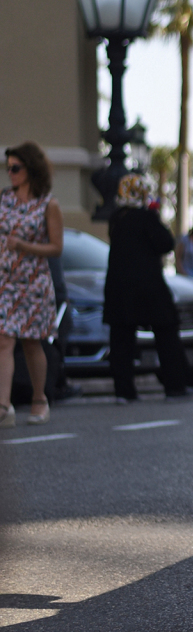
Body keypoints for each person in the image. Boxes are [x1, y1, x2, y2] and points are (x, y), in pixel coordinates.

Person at [103, 174, 191, 402]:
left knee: (121, 338)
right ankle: (175, 384)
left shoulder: (116, 219)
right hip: (148, 286)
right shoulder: (146, 217)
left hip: (119, 287)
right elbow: (166, 243)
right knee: (166, 332)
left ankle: (124, 390)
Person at [0, 142, 63, 427]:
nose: (10, 173)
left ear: (30, 169)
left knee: (30, 343)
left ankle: (40, 398)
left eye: (15, 167)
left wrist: (24, 245)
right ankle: (4, 406)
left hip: (33, 283)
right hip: (5, 281)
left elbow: (56, 247)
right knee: (4, 339)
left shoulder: (47, 205)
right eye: (8, 168)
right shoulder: (4, 200)